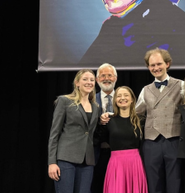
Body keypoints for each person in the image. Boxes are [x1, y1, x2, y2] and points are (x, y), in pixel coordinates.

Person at [116, 48, 185, 193]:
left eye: (159, 64)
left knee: (174, 184)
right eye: (152, 65)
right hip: (151, 144)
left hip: (175, 141)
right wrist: (114, 119)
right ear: (148, 67)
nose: (156, 68)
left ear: (167, 64)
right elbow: (136, 116)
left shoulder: (182, 85)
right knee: (154, 184)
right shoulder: (145, 90)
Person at [48, 69, 100, 193]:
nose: (89, 82)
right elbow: (54, 133)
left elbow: (91, 133)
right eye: (85, 79)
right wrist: (52, 162)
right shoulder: (65, 101)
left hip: (87, 160)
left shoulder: (96, 107)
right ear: (77, 83)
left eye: (92, 80)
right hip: (66, 158)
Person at [101, 86, 148, 193]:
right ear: (115, 100)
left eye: (126, 95)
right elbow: (100, 140)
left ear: (132, 99)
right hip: (116, 164)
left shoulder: (141, 120)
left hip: (135, 163)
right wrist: (100, 122)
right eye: (119, 96)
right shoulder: (108, 120)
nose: (122, 98)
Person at [92, 63, 118, 193]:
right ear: (97, 80)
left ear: (115, 78)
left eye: (110, 75)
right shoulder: (90, 100)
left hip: (118, 154)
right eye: (102, 76)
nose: (106, 78)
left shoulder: (124, 99)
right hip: (96, 154)